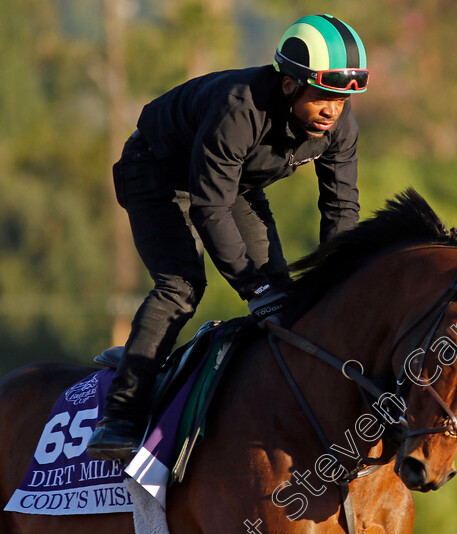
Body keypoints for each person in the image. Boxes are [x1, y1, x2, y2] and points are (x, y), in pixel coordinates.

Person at [86, 14, 370, 461]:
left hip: (230, 183)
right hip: (156, 171)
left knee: (283, 296)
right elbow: (208, 207)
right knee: (182, 286)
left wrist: (345, 282)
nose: (332, 110)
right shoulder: (241, 107)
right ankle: (121, 413)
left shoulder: (340, 128)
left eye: (342, 98)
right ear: (289, 84)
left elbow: (341, 210)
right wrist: (251, 288)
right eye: (322, 95)